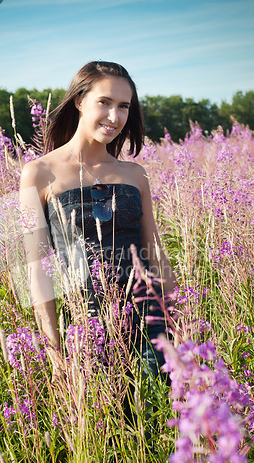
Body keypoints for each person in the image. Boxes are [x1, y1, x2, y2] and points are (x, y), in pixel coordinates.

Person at [19, 61, 177, 396]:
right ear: (79, 101)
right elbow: (37, 271)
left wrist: (180, 321)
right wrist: (54, 351)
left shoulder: (135, 174)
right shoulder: (38, 174)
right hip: (87, 325)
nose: (115, 117)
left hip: (151, 322)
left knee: (162, 426)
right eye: (104, 102)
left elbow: (155, 253)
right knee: (109, 436)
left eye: (124, 107)